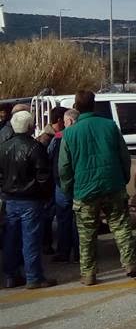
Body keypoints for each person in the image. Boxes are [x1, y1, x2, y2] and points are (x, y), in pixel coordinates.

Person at [59, 91, 136, 286]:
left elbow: (64, 167)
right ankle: (129, 263)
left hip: (84, 190)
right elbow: (124, 156)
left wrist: (68, 189)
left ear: (76, 107)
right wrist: (123, 179)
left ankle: (88, 274)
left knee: (87, 234)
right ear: (94, 105)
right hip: (113, 185)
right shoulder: (110, 126)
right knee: (121, 226)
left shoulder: (69, 133)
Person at [0, 111, 56, 289]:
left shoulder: (3, 147)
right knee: (30, 239)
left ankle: (11, 275)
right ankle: (34, 277)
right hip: (30, 199)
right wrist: (46, 195)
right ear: (31, 127)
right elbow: (43, 176)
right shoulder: (34, 147)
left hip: (10, 198)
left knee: (10, 238)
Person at [48, 108, 80, 263]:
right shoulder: (82, 136)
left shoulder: (59, 137)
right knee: (78, 220)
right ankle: (80, 253)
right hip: (79, 183)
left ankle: (64, 252)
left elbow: (50, 155)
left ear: (70, 121)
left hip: (61, 184)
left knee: (63, 219)